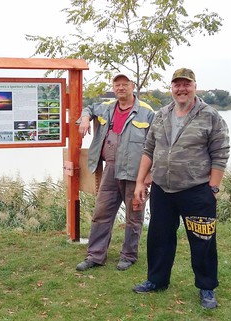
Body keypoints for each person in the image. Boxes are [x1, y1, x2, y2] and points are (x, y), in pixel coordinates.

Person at [131, 68, 230, 309]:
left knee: (202, 238)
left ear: (195, 86)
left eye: (186, 84)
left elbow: (220, 153)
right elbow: (148, 149)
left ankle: (207, 287)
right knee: (159, 237)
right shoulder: (161, 115)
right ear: (172, 88)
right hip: (163, 189)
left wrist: (214, 188)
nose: (181, 89)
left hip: (196, 190)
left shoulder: (210, 116)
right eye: (177, 84)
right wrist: (139, 182)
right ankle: (157, 280)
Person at [75, 73, 155, 272]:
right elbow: (89, 107)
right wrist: (85, 118)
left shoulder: (147, 113)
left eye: (124, 84)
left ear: (132, 86)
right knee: (101, 212)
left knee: (134, 215)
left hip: (136, 174)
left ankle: (128, 255)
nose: (120, 88)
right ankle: (95, 255)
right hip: (111, 169)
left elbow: (158, 146)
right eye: (117, 84)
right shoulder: (107, 107)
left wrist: (148, 176)